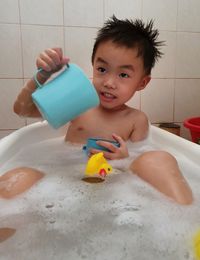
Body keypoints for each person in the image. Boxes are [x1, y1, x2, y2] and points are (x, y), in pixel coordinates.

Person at [13, 16, 193, 205]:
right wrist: (41, 76)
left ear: (142, 82)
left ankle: (186, 217)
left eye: (123, 74)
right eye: (102, 69)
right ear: (93, 65)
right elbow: (22, 110)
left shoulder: (136, 119)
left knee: (159, 159)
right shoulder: (78, 104)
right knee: (20, 176)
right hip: (63, 183)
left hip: (114, 189)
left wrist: (125, 159)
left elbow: (141, 161)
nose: (109, 83)